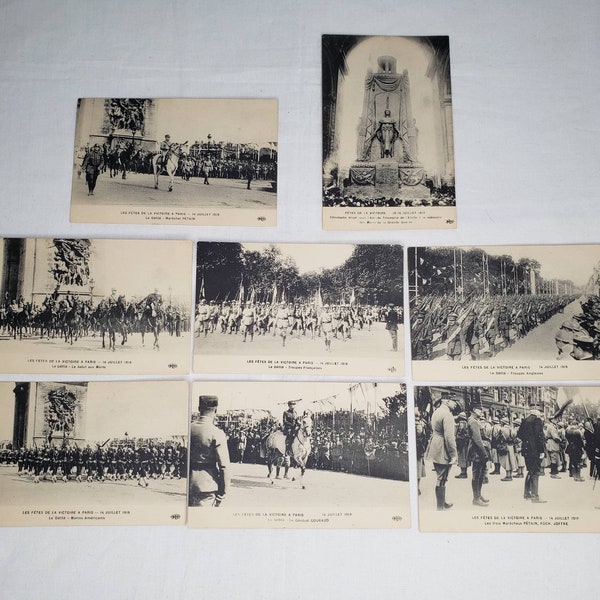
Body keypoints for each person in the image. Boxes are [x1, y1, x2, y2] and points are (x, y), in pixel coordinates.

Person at [189, 395, 230, 507]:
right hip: (207, 485)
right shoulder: (217, 433)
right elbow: (224, 467)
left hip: (189, 485)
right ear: (215, 410)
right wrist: (222, 493)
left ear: (199, 408)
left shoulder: (189, 429)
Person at [424, 393, 458, 511]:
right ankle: (440, 506)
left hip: (435, 445)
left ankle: (442, 503)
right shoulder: (447, 414)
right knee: (442, 477)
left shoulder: (436, 412)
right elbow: (449, 437)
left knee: (441, 476)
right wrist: (453, 454)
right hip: (442, 447)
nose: (455, 404)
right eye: (453, 401)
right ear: (446, 401)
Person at [517, 404, 547, 503]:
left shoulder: (525, 420)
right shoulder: (537, 421)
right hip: (535, 451)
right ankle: (535, 496)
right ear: (537, 411)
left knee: (530, 471)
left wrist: (527, 440)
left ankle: (527, 493)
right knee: (535, 473)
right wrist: (542, 451)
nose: (541, 414)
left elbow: (519, 435)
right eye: (541, 412)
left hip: (526, 450)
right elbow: (539, 437)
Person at [467, 406, 490, 506]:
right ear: (473, 410)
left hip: (478, 451)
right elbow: (477, 439)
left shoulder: (475, 420)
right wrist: (484, 452)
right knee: (476, 475)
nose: (481, 412)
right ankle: (476, 498)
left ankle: (479, 495)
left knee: (480, 474)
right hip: (477, 451)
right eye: (479, 410)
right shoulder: (473, 421)